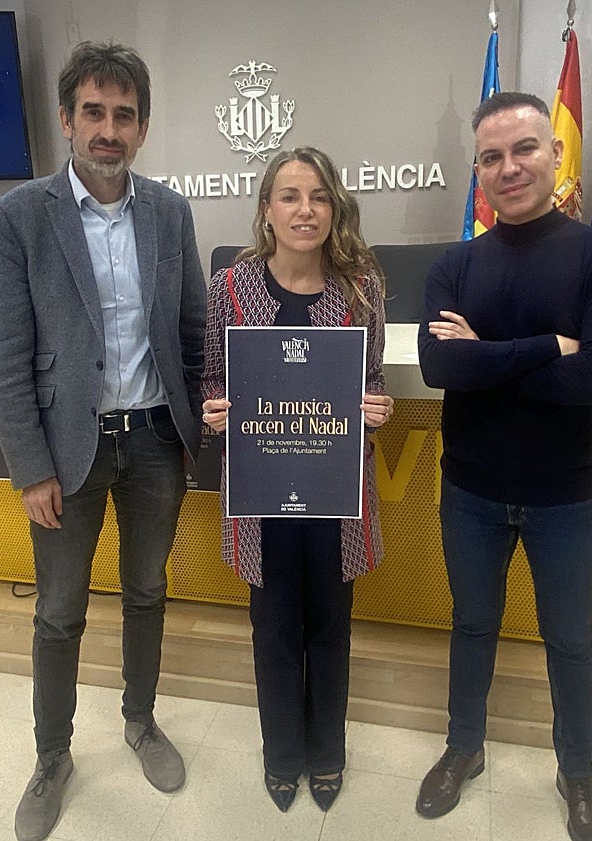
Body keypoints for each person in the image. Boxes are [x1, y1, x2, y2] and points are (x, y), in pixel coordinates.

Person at [0, 41, 206, 841]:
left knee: (146, 589)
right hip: (64, 456)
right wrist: (29, 468)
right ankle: (52, 756)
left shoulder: (169, 213)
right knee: (58, 611)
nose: (109, 130)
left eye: (124, 115)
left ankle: (140, 721)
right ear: (67, 120)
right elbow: (8, 355)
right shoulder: (18, 217)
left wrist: (199, 422)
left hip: (153, 444)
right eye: (94, 113)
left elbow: (192, 330)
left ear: (142, 127)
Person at [416, 91, 592, 841]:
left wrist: (484, 357)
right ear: (478, 170)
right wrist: (549, 347)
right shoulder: (455, 263)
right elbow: (440, 366)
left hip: (566, 496)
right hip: (471, 490)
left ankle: (576, 772)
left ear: (554, 154)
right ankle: (464, 747)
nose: (508, 167)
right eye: (491, 156)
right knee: (472, 624)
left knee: (569, 639)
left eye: (523, 149)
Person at [201, 146, 393, 812]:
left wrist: (376, 406)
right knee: (274, 628)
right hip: (263, 497)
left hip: (334, 495)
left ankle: (327, 751)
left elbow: (372, 377)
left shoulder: (362, 287)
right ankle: (282, 754)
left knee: (330, 628)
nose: (304, 209)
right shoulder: (230, 287)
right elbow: (212, 377)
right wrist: (215, 408)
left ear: (334, 207)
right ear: (266, 209)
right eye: (289, 196)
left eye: (317, 196)